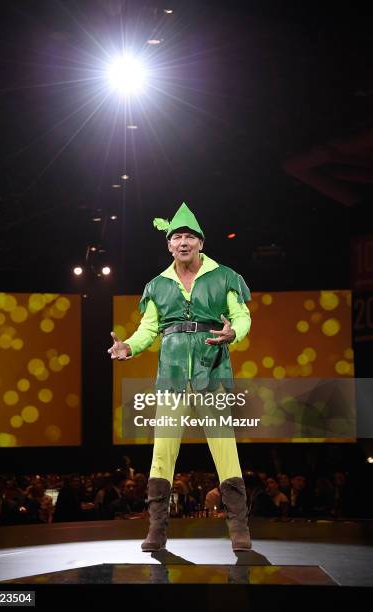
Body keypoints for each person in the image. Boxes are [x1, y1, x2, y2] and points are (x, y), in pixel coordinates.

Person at [108, 202, 252, 552]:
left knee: (225, 450)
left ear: (201, 243)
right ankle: (156, 528)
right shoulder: (157, 285)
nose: (183, 242)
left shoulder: (225, 276)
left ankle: (238, 529)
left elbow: (241, 315)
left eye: (189, 236)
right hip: (172, 375)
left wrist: (234, 334)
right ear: (169, 245)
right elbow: (149, 328)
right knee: (162, 451)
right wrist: (130, 346)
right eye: (177, 237)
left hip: (212, 371)